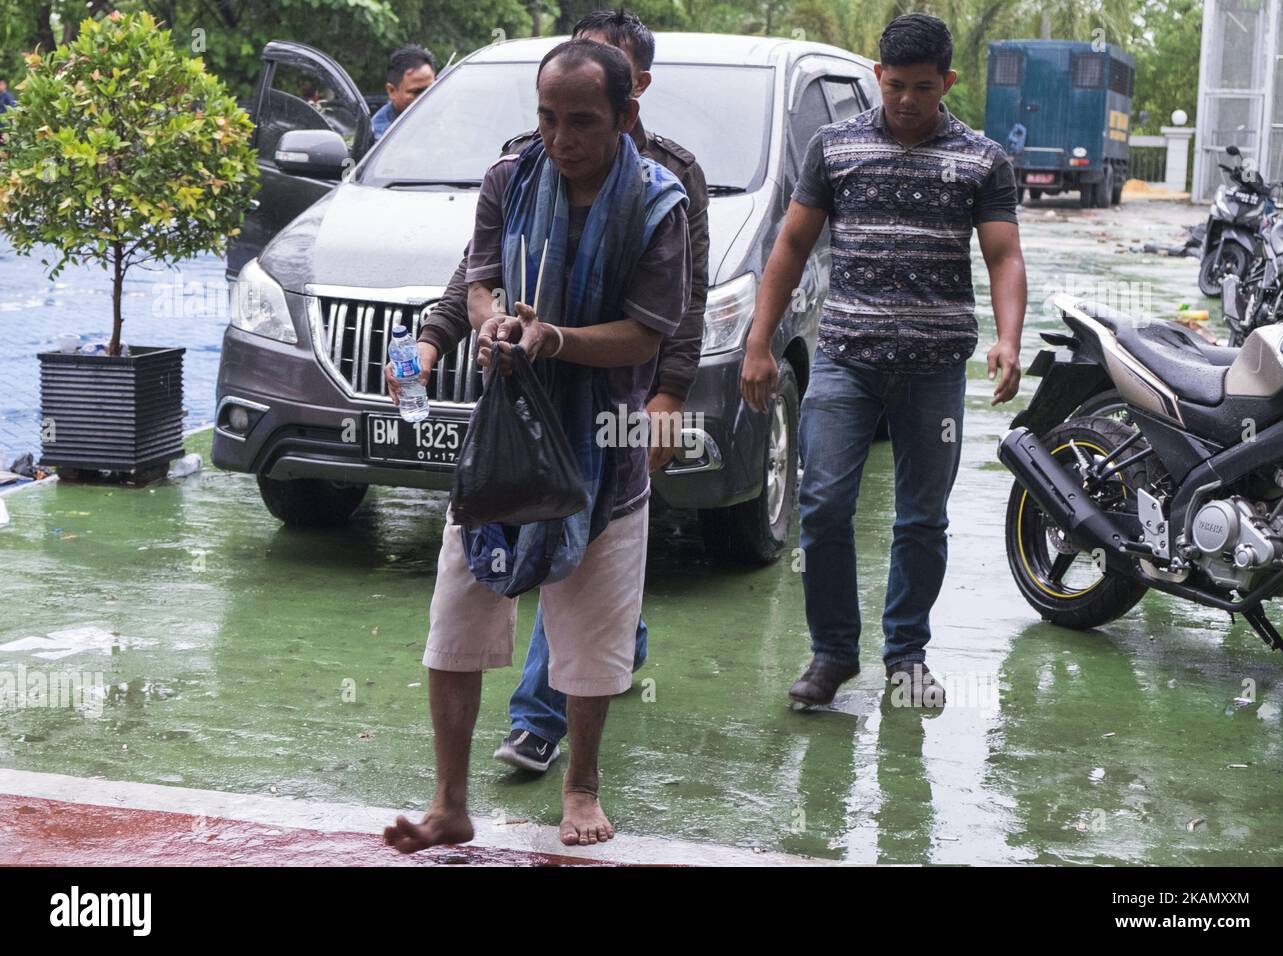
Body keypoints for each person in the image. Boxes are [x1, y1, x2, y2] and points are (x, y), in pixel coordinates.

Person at [383, 38, 690, 851]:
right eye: (548, 118)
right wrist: (480, 329)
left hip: (604, 448)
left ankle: (580, 786)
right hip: (504, 437)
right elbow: (478, 280)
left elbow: (648, 336)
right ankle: (450, 800)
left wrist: (554, 340)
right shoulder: (508, 180)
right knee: (455, 622)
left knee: (591, 634)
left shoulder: (660, 203)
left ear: (627, 114)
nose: (563, 139)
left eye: (583, 121)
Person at [740, 13, 1027, 710]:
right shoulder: (834, 147)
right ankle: (833, 653)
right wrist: (759, 341)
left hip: (934, 370)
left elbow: (1003, 255)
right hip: (845, 359)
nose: (904, 100)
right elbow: (790, 246)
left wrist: (1009, 338)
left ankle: (907, 656)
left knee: (922, 520)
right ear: (878, 76)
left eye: (921, 88)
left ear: (947, 83)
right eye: (894, 85)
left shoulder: (981, 159)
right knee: (824, 504)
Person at [371, 44, 436, 140]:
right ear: (391, 91)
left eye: (431, 90)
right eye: (416, 92)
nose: (426, 98)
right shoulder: (381, 138)